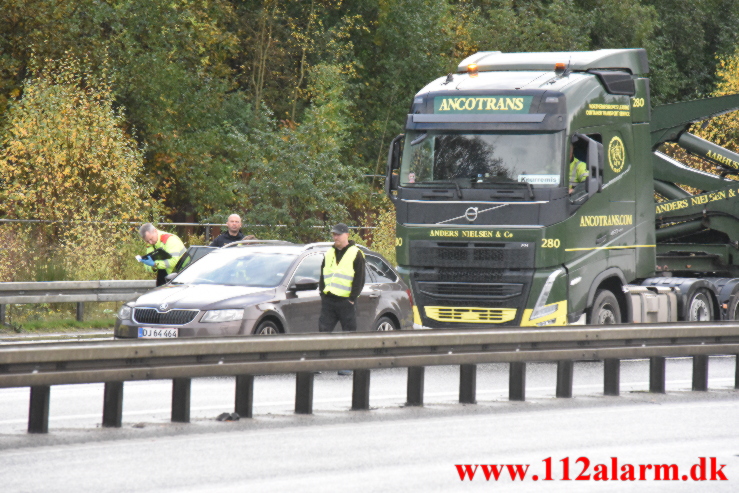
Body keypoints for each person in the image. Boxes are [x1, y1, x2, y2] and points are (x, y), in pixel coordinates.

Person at [318, 223, 366, 333]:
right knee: (323, 333)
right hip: (329, 301)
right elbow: (322, 275)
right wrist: (323, 294)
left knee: (349, 335)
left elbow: (360, 279)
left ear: (347, 235)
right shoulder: (329, 253)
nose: (335, 237)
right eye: (334, 234)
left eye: (338, 234)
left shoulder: (356, 253)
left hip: (346, 302)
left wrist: (352, 299)